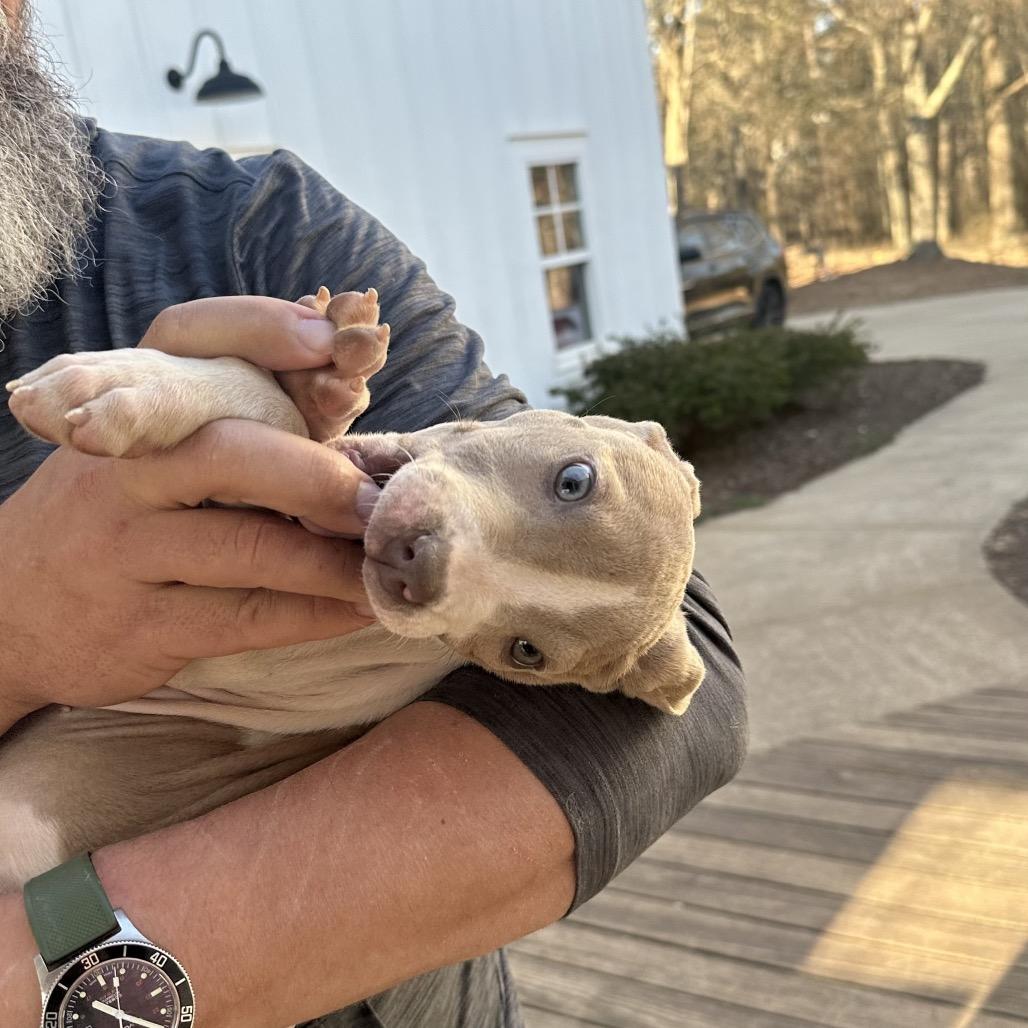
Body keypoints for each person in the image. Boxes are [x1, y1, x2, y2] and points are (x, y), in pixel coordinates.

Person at [0, 3, 747, 1025]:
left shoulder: (249, 225)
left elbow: (683, 696)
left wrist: (80, 985)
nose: (434, 570)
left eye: (519, 644)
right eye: (569, 488)